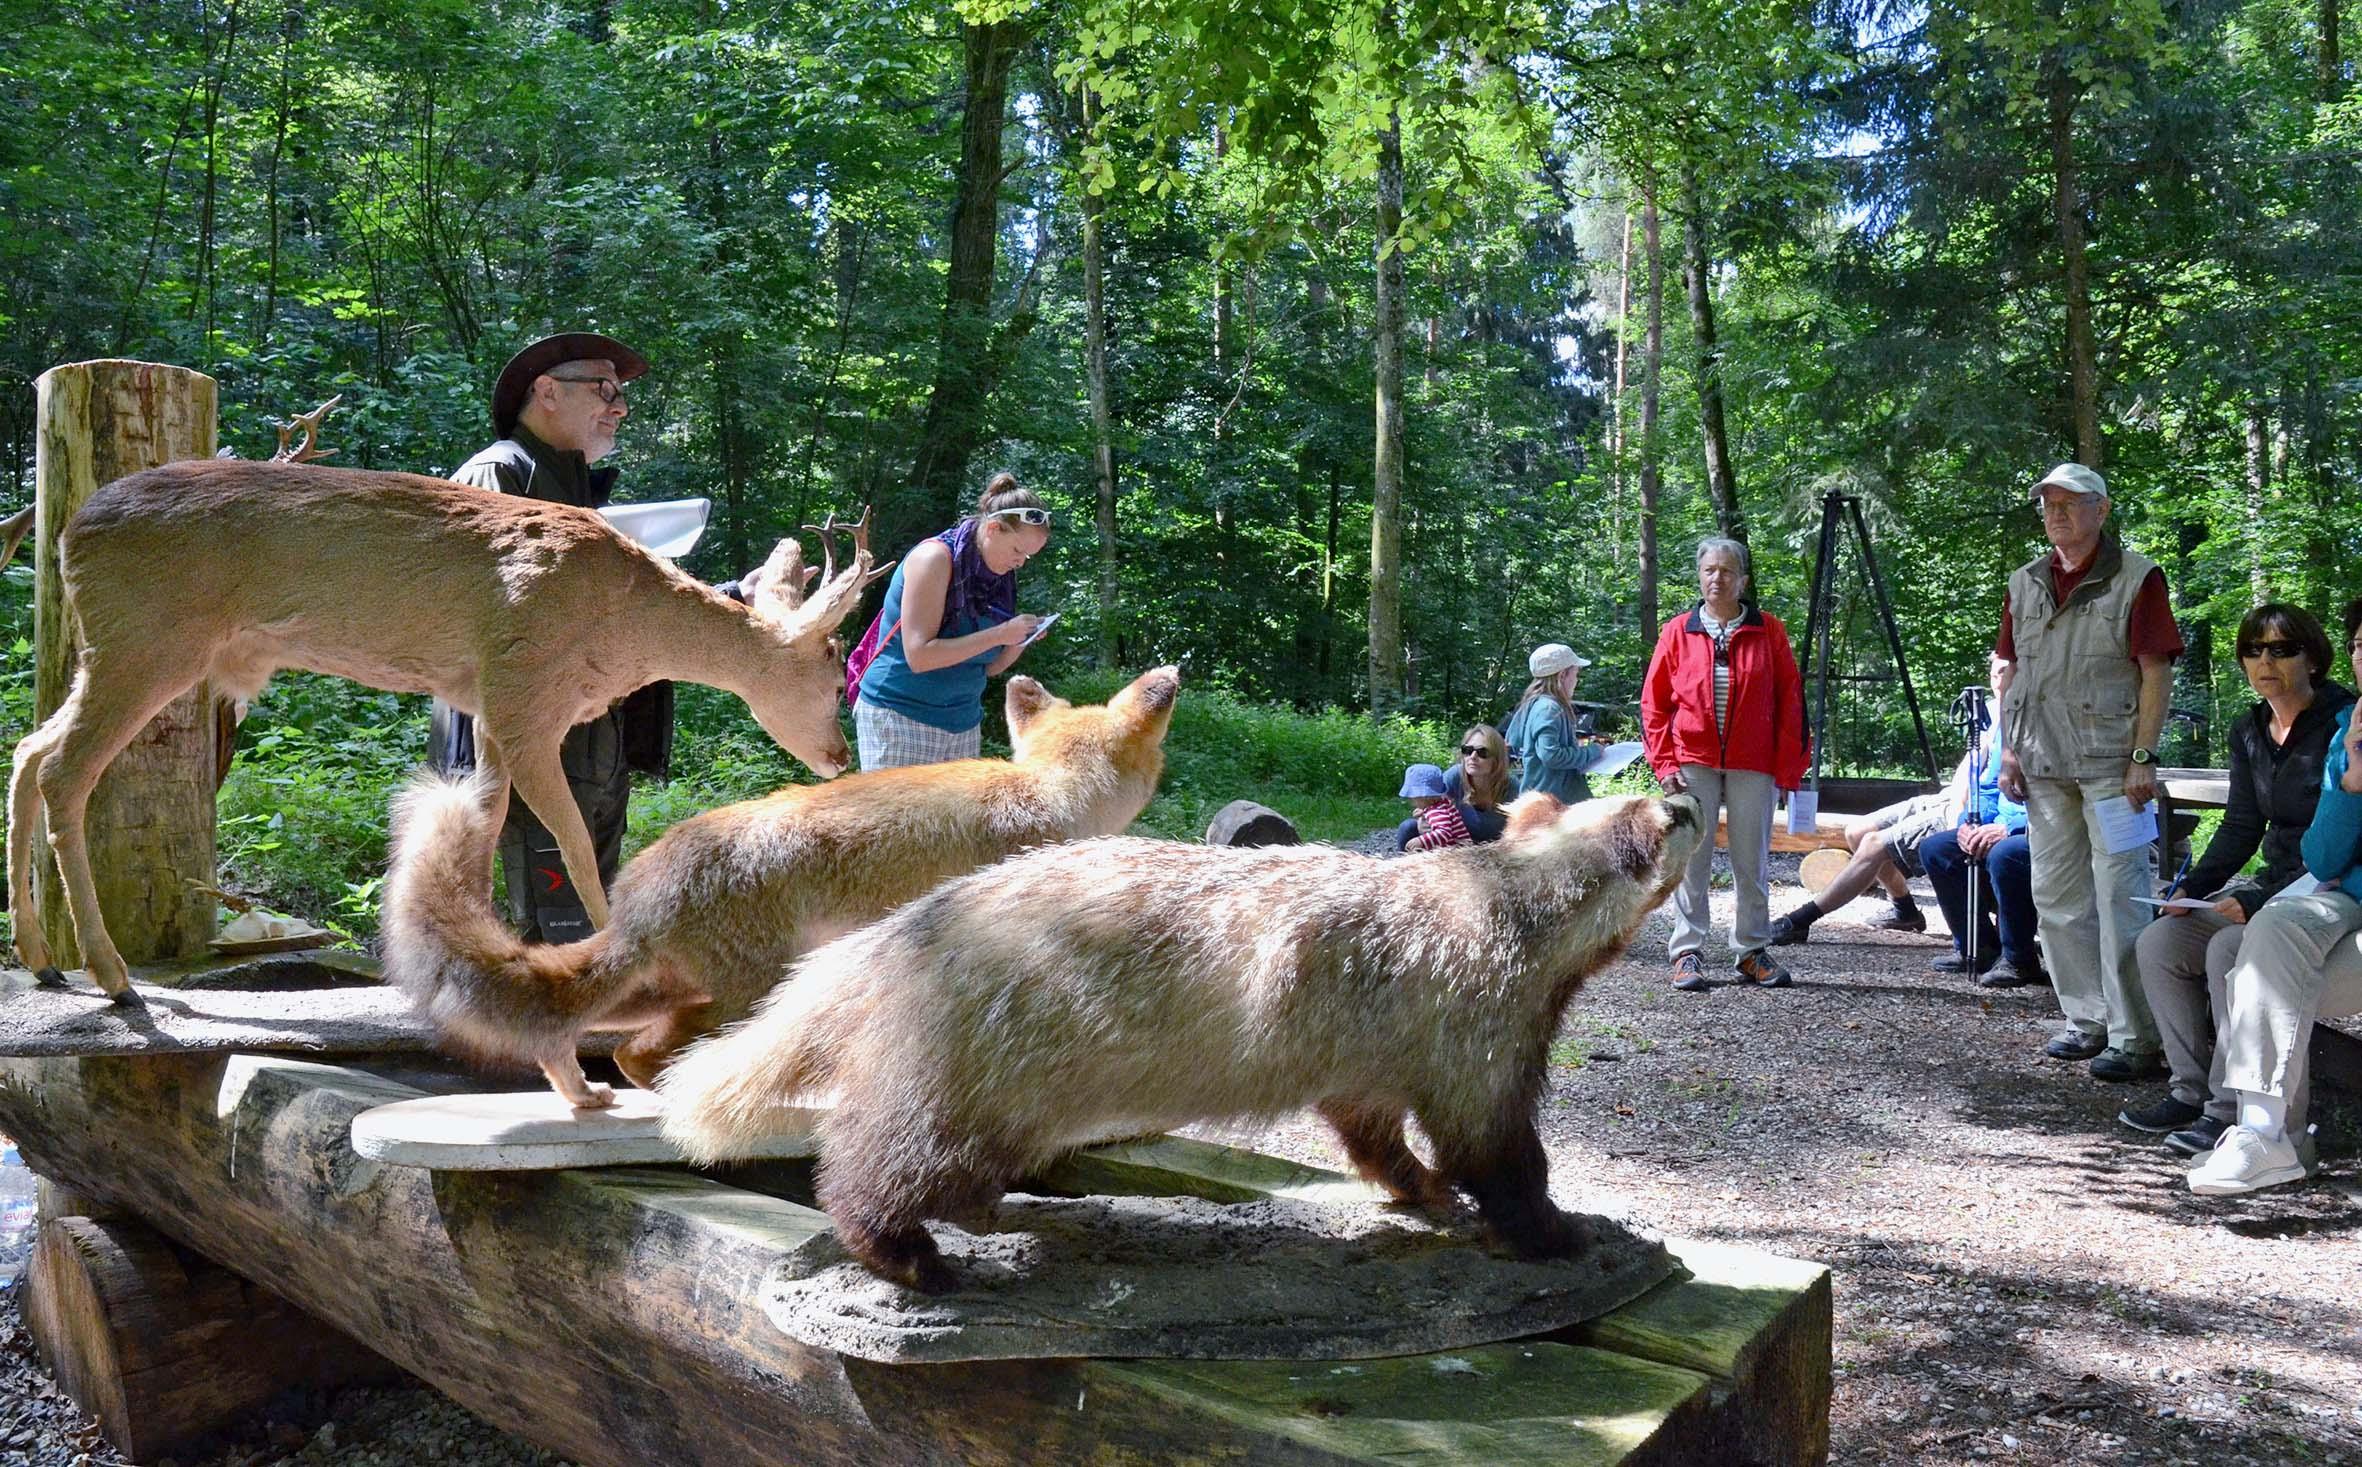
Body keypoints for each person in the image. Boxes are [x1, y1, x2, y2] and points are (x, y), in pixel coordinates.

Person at [427, 331, 664, 944]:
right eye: (605, 389)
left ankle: (570, 1036)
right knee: (549, 939)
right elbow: (480, 614)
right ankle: (523, 1040)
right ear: (546, 391)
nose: (620, 406)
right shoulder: (499, 471)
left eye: (622, 394)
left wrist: (733, 598)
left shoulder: (578, 487)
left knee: (588, 930)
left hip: (593, 752)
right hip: (525, 754)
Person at [2118, 605, 2352, 1152]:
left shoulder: (2344, 722)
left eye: (2281, 649)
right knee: (2160, 941)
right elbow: (2242, 826)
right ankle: (2190, 1090)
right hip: (2273, 882)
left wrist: (2255, 897)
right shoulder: (2249, 728)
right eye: (2253, 649)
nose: (2264, 661)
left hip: (2325, 887)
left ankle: (2232, 1109)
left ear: (2313, 658)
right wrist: (2190, 891)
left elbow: (2341, 841)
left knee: (2229, 948)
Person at [1995, 463, 2181, 1079]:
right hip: (2043, 766)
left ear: (2101, 510)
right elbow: (2010, 668)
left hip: (2112, 768)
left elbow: (2156, 671)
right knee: (2057, 897)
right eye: (2048, 503)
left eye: (2071, 503)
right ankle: (2086, 1019)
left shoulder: (2137, 578)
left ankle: (2136, 1035)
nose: (2057, 513)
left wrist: (2143, 757)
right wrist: (2010, 750)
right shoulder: (2024, 582)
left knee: (2121, 895)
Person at [2186, 657, 2362, 1195]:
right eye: (2359, 643)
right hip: (2345, 898)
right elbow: (2324, 859)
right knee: (2264, 935)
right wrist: (2352, 779)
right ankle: (2268, 1134)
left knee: (2259, 973)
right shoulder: (2347, 732)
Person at [1642, 537, 1809, 992]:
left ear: (1743, 580)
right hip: (1691, 761)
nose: (1718, 578)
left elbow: (1791, 701)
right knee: (1689, 858)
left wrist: (1789, 768)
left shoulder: (1769, 630)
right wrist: (1664, 762)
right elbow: (1654, 704)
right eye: (1709, 570)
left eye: (1727, 571)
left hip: (1753, 762)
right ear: (1700, 577)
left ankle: (1751, 951)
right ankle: (1687, 952)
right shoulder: (1678, 630)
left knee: (1750, 858)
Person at [850, 473, 1048, 769]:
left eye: (1028, 557)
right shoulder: (933, 559)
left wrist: (1019, 640)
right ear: (993, 528)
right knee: (902, 818)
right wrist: (1000, 633)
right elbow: (919, 656)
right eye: (1018, 550)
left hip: (962, 724)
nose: (1020, 562)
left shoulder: (999, 577)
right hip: (900, 717)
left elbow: (989, 668)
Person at [1918, 658, 2039, 987]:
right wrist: (1967, 824)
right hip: (1996, 823)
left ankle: (2019, 957)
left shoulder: (2050, 715)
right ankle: (1977, 946)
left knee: (2007, 854)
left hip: (2037, 829)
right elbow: (1987, 785)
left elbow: (2060, 793)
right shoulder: (2003, 723)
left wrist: (2009, 829)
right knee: (1937, 849)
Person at [1505, 644, 1611, 804]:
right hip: (1550, 807)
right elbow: (1551, 756)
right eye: (1575, 674)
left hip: (1545, 802)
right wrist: (1593, 751)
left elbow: (1512, 739)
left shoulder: (1533, 702)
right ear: (1562, 675)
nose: (1576, 680)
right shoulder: (1549, 708)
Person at [1441, 723, 1512, 843]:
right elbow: (1428, 806)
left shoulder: (1512, 787)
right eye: (1467, 750)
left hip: (1497, 851)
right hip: (1457, 848)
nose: (1473, 757)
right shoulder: (1454, 776)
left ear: (1497, 760)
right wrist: (1423, 820)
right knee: (1409, 827)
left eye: (1482, 752)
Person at [1395, 763, 1474, 851]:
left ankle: (1403, 857)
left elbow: (1444, 833)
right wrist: (1424, 812)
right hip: (1452, 848)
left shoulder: (1437, 811)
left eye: (1414, 798)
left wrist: (1421, 841)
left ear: (1425, 797)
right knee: (1407, 826)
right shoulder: (1442, 804)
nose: (1412, 802)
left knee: (1406, 828)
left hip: (1454, 850)